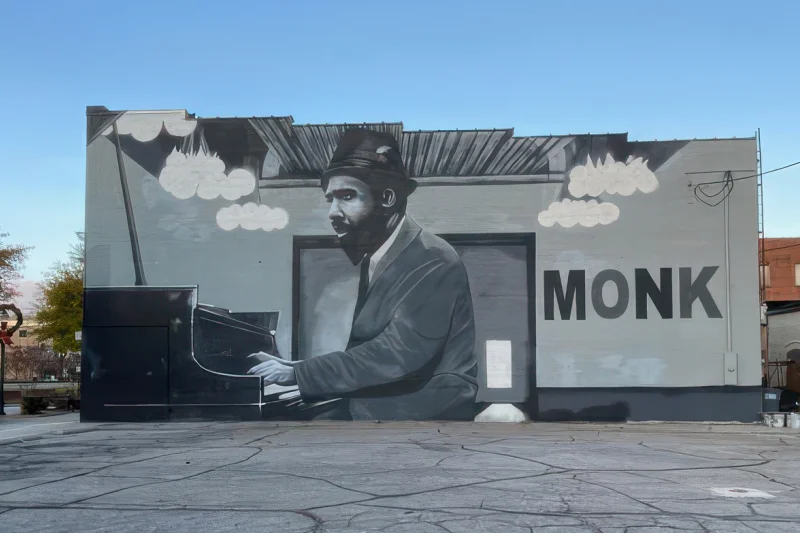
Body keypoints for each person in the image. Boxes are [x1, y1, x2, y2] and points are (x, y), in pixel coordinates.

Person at [248, 128, 478, 420]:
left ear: (388, 198)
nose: (332, 212)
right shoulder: (381, 255)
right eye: (330, 199)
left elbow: (399, 353)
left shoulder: (433, 258)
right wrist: (297, 369)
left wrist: (299, 373)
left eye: (346, 197)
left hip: (426, 406)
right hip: (391, 397)